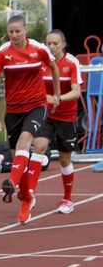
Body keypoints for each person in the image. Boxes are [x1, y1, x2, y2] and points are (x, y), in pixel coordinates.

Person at [0, 14, 60, 224]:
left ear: (25, 30)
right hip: (13, 110)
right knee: (16, 154)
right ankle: (27, 197)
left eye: (17, 31)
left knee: (25, 142)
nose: (14, 35)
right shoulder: (3, 53)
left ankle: (12, 181)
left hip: (37, 105)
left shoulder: (38, 50)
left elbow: (54, 67)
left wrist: (55, 95)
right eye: (10, 32)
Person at [43, 30, 85, 214]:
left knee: (64, 158)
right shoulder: (42, 62)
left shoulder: (71, 62)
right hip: (46, 115)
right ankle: (28, 194)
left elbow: (77, 91)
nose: (51, 47)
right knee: (39, 146)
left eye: (55, 44)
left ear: (63, 44)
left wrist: (58, 98)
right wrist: (45, 99)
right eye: (49, 43)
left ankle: (67, 199)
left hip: (66, 116)